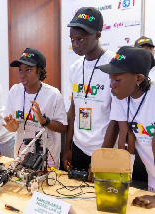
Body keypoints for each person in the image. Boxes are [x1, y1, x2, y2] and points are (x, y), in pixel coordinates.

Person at [62, 7, 116, 172]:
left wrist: (102, 158)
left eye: (81, 39)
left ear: (98, 35)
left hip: (103, 149)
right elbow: (74, 109)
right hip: (79, 147)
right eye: (72, 39)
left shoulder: (113, 65)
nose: (75, 45)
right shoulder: (75, 67)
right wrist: (68, 147)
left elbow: (116, 118)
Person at [97, 46, 155, 196]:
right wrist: (114, 174)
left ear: (139, 78)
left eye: (117, 79)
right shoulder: (121, 98)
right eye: (110, 79)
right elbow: (124, 135)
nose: (111, 85)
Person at [3, 48, 67, 167]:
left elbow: (63, 128)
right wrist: (12, 128)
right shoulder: (15, 91)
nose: (22, 75)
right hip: (21, 156)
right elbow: (13, 128)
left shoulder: (53, 95)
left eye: (28, 70)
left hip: (47, 159)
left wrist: (44, 121)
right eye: (20, 70)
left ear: (39, 71)